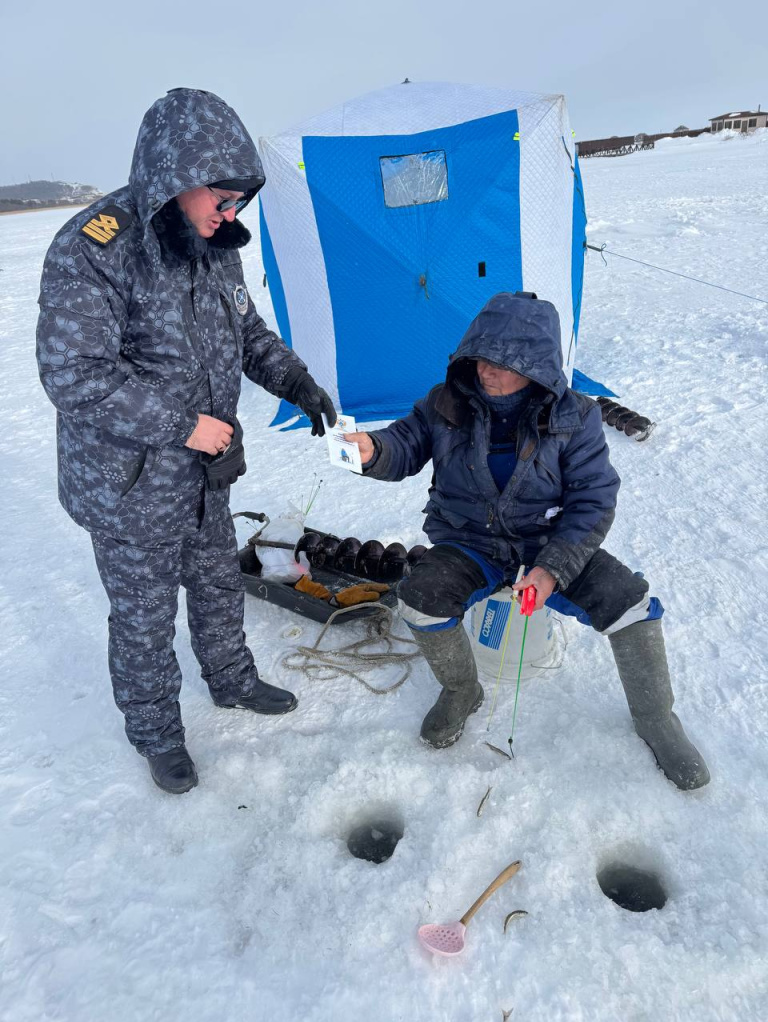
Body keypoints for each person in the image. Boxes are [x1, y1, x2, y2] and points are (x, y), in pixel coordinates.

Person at [36, 88, 336, 795]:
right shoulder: (93, 248)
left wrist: (297, 382)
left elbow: (248, 332)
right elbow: (72, 375)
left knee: (215, 580)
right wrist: (182, 426)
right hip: (128, 480)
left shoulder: (211, 243)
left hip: (204, 470)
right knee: (143, 614)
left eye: (239, 200)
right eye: (221, 199)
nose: (229, 214)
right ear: (177, 179)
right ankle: (156, 732)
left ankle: (232, 681)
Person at [345, 292, 709, 790]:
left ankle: (655, 717)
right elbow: (402, 446)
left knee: (630, 601)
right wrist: (373, 449)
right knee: (422, 597)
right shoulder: (443, 402)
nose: (487, 372)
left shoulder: (577, 416)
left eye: (504, 363)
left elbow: (593, 499)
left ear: (536, 367)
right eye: (480, 359)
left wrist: (553, 568)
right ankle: (461, 690)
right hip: (469, 541)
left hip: (547, 543)